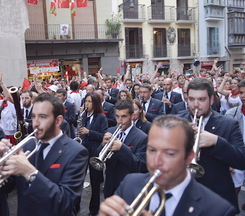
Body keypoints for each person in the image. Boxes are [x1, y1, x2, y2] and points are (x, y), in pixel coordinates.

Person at [99, 115, 237, 216]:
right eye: (152, 150)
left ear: (189, 157)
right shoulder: (129, 184)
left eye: (170, 153)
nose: (156, 161)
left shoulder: (218, 210)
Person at [0, 93, 88, 216]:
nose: (35, 123)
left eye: (42, 117)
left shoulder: (76, 152)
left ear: (58, 120)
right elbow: (5, 188)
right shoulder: (27, 145)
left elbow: (65, 203)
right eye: (33, 117)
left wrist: (29, 172)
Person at [177, 77, 245, 213]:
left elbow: (242, 160)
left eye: (201, 99)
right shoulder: (176, 121)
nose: (195, 104)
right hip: (183, 195)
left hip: (217, 197)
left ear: (211, 100)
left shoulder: (228, 124)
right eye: (191, 99)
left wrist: (217, 141)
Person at [99, 100, 147, 198]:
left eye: (124, 116)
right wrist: (102, 145)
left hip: (129, 188)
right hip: (110, 185)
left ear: (132, 116)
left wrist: (122, 149)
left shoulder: (142, 137)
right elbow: (99, 156)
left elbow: (141, 166)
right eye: (117, 116)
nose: (120, 120)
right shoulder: (110, 131)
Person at [79, 92, 108, 215]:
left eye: (89, 102)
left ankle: (94, 209)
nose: (87, 104)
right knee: (78, 179)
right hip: (83, 151)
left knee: (95, 183)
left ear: (95, 103)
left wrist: (89, 132)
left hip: (95, 152)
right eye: (86, 101)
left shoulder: (101, 117)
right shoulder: (83, 115)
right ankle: (75, 205)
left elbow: (103, 135)